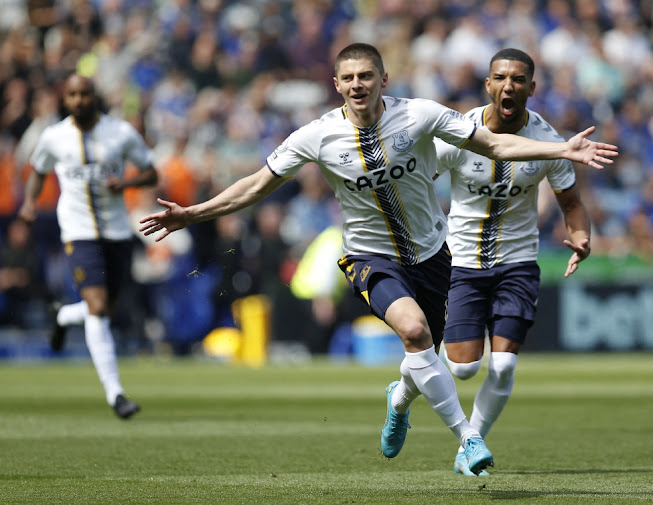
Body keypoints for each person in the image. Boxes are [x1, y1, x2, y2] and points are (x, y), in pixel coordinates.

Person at [139, 43, 617, 474]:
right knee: (414, 332)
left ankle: (399, 398)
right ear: (336, 85)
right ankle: (468, 440)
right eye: (348, 78)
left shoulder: (421, 116)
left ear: (383, 80)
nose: (357, 85)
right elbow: (256, 184)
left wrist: (562, 149)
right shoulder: (317, 135)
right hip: (370, 256)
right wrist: (194, 213)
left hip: (433, 256)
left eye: (366, 75)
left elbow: (491, 142)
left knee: (426, 353)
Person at [434, 48, 596, 475]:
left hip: (518, 262)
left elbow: (572, 202)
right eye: (500, 77)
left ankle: (471, 446)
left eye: (518, 79)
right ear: (487, 85)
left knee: (503, 365)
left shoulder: (548, 141)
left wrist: (580, 236)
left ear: (531, 88)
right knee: (463, 368)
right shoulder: (458, 133)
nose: (509, 85)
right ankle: (406, 384)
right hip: (463, 264)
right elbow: (415, 179)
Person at [19, 74, 158, 420]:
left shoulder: (121, 133)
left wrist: (125, 182)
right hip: (78, 232)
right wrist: (30, 202)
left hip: (116, 232)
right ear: (64, 99)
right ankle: (116, 394)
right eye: (72, 95)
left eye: (84, 94)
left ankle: (64, 315)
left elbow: (151, 172)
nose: (78, 100)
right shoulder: (54, 137)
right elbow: (38, 168)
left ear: (95, 97)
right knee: (97, 307)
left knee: (104, 310)